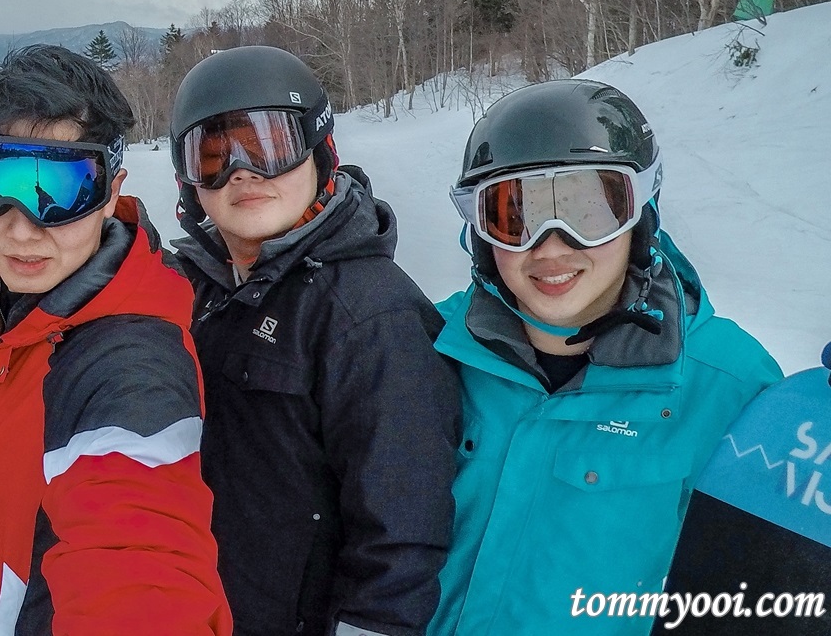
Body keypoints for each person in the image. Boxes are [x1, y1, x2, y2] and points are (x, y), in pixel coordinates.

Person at [431, 79, 782, 635]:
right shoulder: (427, 348)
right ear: (480, 235)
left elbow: (763, 590)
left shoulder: (730, 388)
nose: (550, 246)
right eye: (513, 215)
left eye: (589, 211)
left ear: (641, 214)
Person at [0, 45, 232, 636]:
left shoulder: (128, 363)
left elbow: (138, 562)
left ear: (110, 191)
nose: (21, 228)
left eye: (60, 189)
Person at [170, 45, 461, 636]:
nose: (241, 173)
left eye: (269, 146)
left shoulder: (370, 315)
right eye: (214, 155)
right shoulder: (195, 292)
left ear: (320, 151)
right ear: (188, 181)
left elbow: (402, 534)